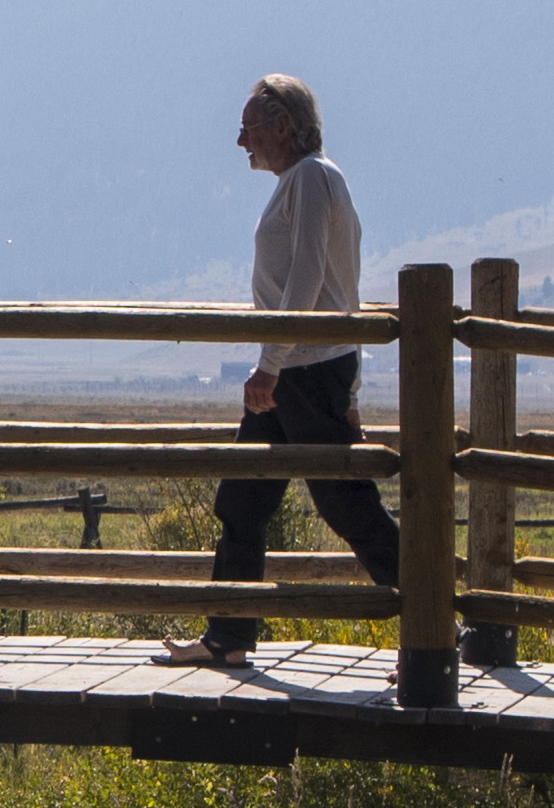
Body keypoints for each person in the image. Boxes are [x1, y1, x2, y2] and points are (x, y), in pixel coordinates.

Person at [156, 72, 401, 665]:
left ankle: (434, 622)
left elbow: (312, 277)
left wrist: (270, 365)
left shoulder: (312, 179)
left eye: (248, 129)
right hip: (301, 363)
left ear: (282, 126)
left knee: (347, 504)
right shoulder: (305, 180)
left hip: (303, 367)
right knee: (244, 499)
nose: (242, 143)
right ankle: (229, 636)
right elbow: (340, 285)